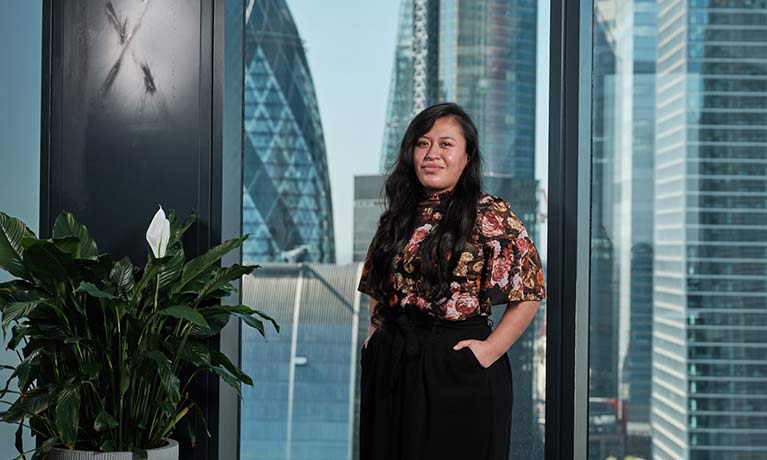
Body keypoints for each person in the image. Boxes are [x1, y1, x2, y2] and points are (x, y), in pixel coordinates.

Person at [356, 102, 547, 460]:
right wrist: (374, 336)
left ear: (467, 155)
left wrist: (489, 352)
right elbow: (377, 284)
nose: (433, 154)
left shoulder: (491, 212)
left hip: (458, 364)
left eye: (446, 144)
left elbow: (530, 291)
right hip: (393, 364)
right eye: (423, 143)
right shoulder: (397, 215)